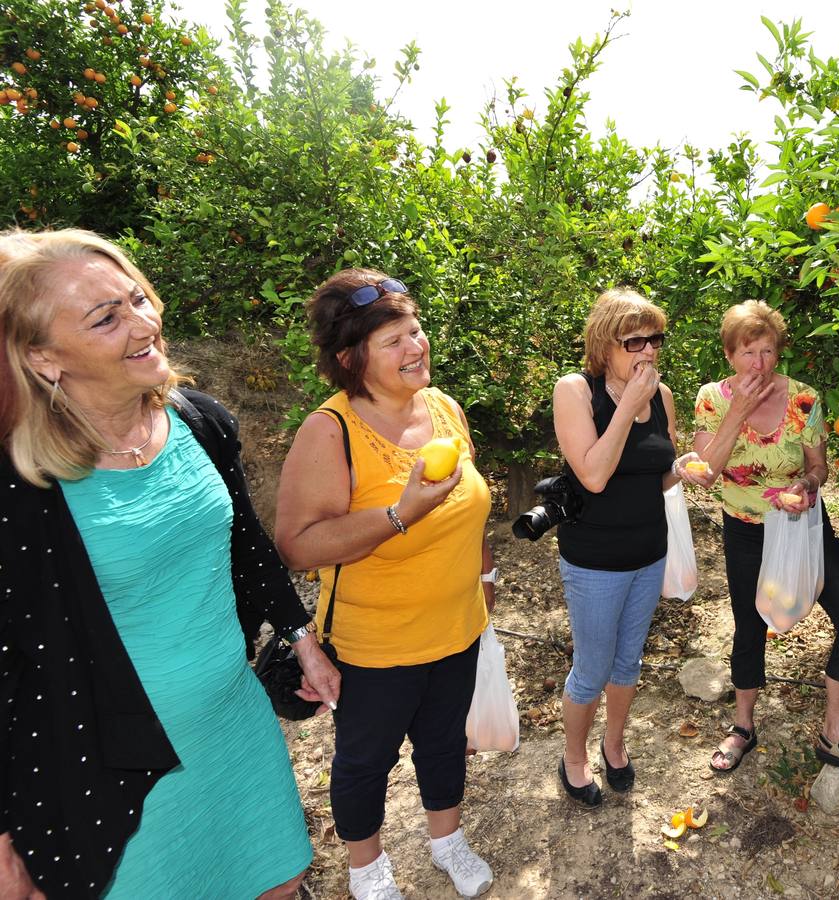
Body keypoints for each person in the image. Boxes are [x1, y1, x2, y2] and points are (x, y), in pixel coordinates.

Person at [0, 228, 340, 899]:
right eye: (107, 318)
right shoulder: (23, 485)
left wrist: (300, 637)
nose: (143, 323)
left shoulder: (198, 422)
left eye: (137, 298)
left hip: (232, 726)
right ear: (42, 358)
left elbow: (244, 544)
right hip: (106, 771)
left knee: (280, 881)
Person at [273, 270, 494, 900]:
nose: (415, 347)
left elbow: (470, 507)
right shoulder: (330, 431)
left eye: (416, 331)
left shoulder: (444, 408)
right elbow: (297, 546)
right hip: (376, 645)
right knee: (367, 762)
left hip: (457, 626)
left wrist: (486, 579)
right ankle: (367, 870)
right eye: (394, 340)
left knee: (445, 742)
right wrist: (400, 515)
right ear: (350, 359)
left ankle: (447, 839)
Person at [681, 300, 839, 784]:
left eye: (768, 351)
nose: (760, 363)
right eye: (749, 352)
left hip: (803, 526)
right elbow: (706, 472)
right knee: (749, 628)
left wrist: (809, 485)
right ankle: (743, 726)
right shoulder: (712, 399)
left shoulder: (803, 398)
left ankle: (834, 734)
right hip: (745, 528)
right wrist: (740, 409)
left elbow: (820, 466)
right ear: (730, 354)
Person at [551, 288, 682, 807]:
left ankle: (614, 744)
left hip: (649, 551)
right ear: (605, 345)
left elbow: (660, 476)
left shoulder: (663, 395)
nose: (648, 351)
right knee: (593, 666)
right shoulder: (576, 391)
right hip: (594, 561)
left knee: (629, 662)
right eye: (635, 342)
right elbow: (595, 475)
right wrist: (628, 406)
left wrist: (685, 470)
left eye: (655, 340)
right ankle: (575, 757)